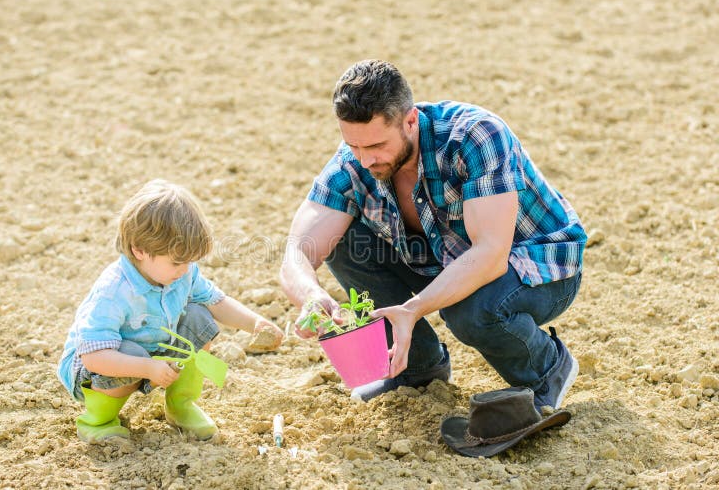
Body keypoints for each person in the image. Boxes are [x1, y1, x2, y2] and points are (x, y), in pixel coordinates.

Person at [280, 60, 586, 410]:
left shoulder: (475, 135)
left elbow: (490, 253)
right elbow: (296, 252)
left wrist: (413, 309)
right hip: (445, 260)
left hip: (538, 265)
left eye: (377, 145)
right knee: (347, 239)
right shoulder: (352, 163)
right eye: (354, 147)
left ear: (410, 121)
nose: (365, 160)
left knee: (470, 310)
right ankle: (416, 368)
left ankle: (545, 371)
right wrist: (311, 294)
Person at [57, 179, 283, 443]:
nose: (185, 270)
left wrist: (256, 323)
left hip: (153, 353)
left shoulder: (180, 274)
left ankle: (180, 405)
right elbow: (94, 358)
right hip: (99, 366)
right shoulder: (114, 291)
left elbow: (217, 302)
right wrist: (148, 367)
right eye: (177, 262)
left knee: (199, 317)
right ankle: (98, 421)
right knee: (129, 351)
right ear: (139, 250)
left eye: (190, 262)